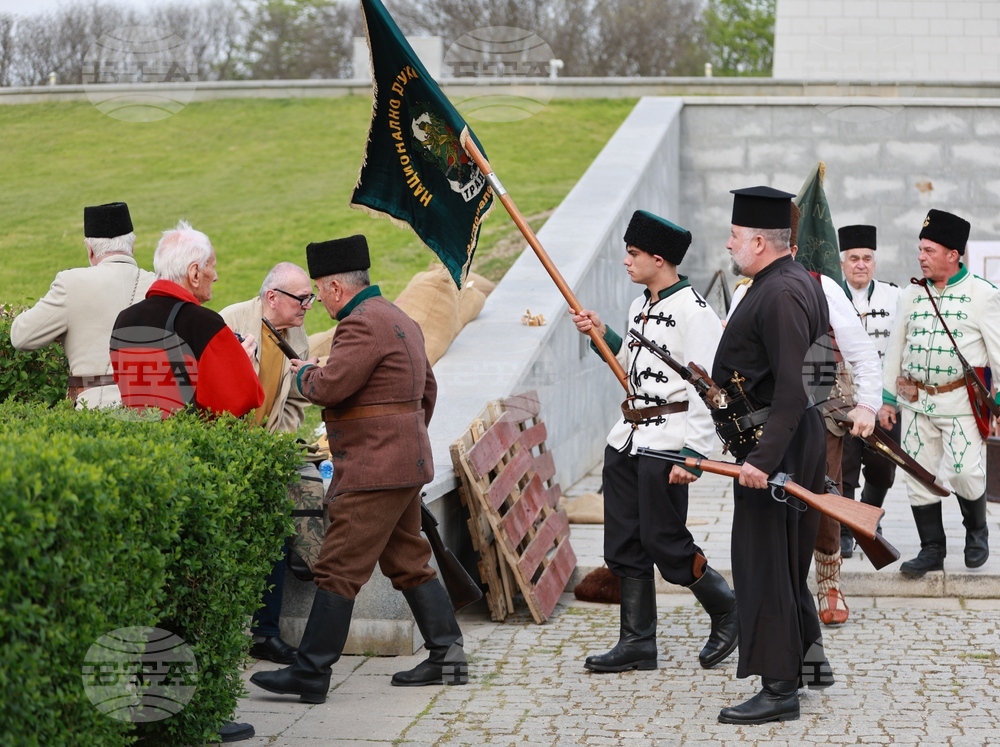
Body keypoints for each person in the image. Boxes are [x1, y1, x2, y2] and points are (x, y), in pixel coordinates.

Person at [250, 234, 468, 706]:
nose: (318, 301)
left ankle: (310, 673)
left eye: (318, 291)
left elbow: (331, 387)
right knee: (408, 560)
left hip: (374, 471)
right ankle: (448, 655)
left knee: (337, 569)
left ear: (333, 287)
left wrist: (304, 370)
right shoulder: (398, 317)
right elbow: (427, 390)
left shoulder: (360, 324)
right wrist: (404, 439)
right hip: (403, 465)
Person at [111, 220, 264, 744]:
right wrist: (240, 359)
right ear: (194, 271)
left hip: (140, 463)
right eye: (213, 268)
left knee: (156, 594)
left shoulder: (124, 319)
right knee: (199, 597)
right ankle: (199, 714)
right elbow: (242, 398)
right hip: (194, 471)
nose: (217, 278)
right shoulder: (203, 322)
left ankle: (149, 707)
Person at [569, 210, 738, 674]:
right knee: (624, 543)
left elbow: (707, 387)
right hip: (627, 438)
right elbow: (633, 365)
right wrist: (601, 333)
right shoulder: (640, 304)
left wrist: (696, 454)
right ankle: (638, 643)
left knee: (665, 541)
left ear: (659, 259)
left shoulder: (694, 312)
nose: (626, 261)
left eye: (633, 253)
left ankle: (727, 609)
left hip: (669, 440)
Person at [727, 206, 880, 627]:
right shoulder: (744, 292)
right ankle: (775, 595)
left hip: (821, 409)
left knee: (825, 502)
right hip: (762, 424)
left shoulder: (821, 286)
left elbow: (860, 350)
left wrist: (867, 403)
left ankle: (827, 582)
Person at [713, 186, 833, 725]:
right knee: (786, 558)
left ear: (759, 240)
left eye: (735, 236)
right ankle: (810, 660)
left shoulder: (780, 292)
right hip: (792, 437)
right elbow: (823, 372)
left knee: (763, 561)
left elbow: (794, 385)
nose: (730, 243)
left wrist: (762, 460)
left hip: (777, 444)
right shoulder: (799, 281)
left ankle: (780, 688)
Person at [879, 209, 1000, 578]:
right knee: (918, 477)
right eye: (920, 249)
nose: (921, 256)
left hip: (961, 403)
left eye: (929, 250)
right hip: (915, 403)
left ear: (953, 254)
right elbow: (895, 348)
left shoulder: (983, 295)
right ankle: (932, 549)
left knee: (965, 472)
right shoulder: (911, 294)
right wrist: (887, 400)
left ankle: (976, 532)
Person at [221, 262, 314, 666]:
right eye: (301, 298)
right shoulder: (229, 321)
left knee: (277, 533)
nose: (308, 305)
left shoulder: (297, 334)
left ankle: (265, 633)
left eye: (310, 297)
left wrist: (277, 436)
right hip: (228, 453)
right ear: (271, 297)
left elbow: (296, 400)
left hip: (269, 453)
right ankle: (224, 631)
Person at [10, 202, 154, 408]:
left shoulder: (71, 283)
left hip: (94, 408)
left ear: (90, 250)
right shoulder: (158, 283)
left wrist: (67, 329)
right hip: (152, 409)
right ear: (132, 245)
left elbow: (20, 336)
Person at [838, 225, 901, 557]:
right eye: (853, 259)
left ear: (873, 262)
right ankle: (846, 527)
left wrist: (888, 397)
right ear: (843, 263)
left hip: (885, 401)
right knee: (843, 467)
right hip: (843, 400)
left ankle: (868, 515)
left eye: (866, 258)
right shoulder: (831, 295)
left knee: (882, 468)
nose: (860, 264)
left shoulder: (894, 296)